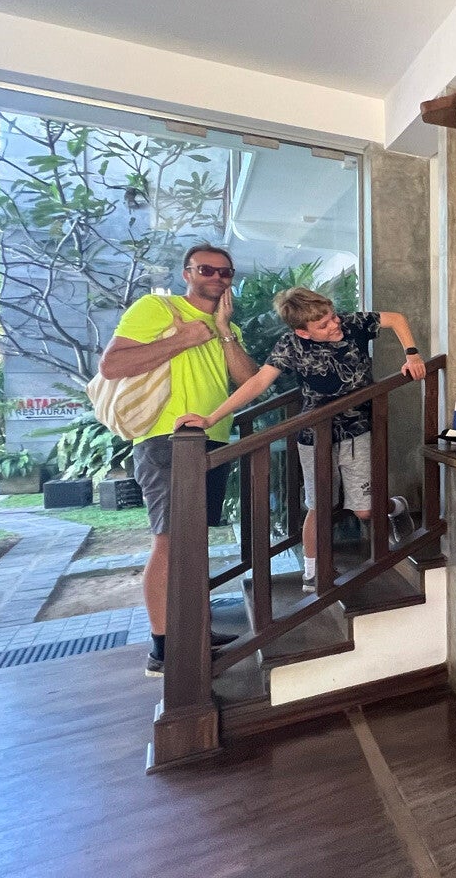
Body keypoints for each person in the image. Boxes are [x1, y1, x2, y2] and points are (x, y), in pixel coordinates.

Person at [177, 288, 426, 593]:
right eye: (323, 325)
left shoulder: (352, 323)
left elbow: (396, 319)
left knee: (364, 510)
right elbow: (258, 382)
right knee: (319, 505)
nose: (334, 324)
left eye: (332, 316)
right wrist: (210, 419)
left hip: (358, 429)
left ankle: (394, 507)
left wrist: (412, 354)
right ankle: (312, 572)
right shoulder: (290, 345)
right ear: (303, 332)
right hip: (315, 435)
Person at [99, 243, 259, 676]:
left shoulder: (227, 326)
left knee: (193, 542)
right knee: (169, 541)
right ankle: (164, 649)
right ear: (187, 273)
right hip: (167, 440)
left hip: (212, 440)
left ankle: (192, 631)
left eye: (225, 272)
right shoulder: (158, 308)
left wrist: (223, 330)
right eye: (207, 269)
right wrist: (184, 338)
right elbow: (112, 365)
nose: (217, 277)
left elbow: (247, 381)